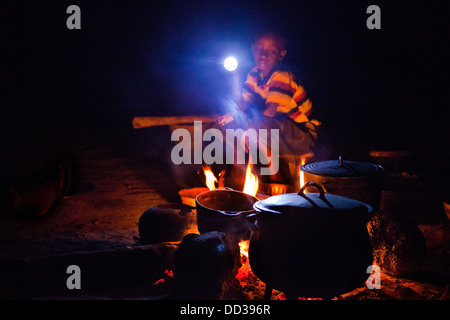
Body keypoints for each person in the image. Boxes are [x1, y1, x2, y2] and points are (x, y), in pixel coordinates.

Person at [214, 32, 320, 183]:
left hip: (303, 137)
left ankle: (275, 179)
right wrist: (235, 77)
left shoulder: (282, 76)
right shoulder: (254, 74)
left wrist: (244, 123)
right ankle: (244, 177)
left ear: (281, 54)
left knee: (256, 124)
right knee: (225, 124)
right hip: (275, 133)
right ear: (252, 50)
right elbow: (241, 105)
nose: (263, 55)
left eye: (271, 51)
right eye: (259, 49)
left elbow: (269, 114)